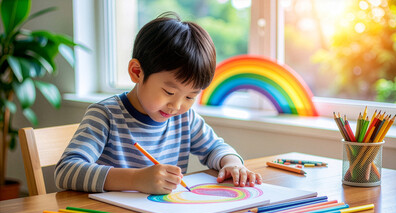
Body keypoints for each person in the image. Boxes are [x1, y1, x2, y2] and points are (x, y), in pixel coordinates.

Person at [54, 12, 262, 195]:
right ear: (137, 72)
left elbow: (215, 148)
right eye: (169, 91)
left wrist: (232, 163)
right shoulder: (105, 115)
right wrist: (136, 180)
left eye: (190, 97)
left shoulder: (184, 118)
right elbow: (66, 171)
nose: (177, 105)